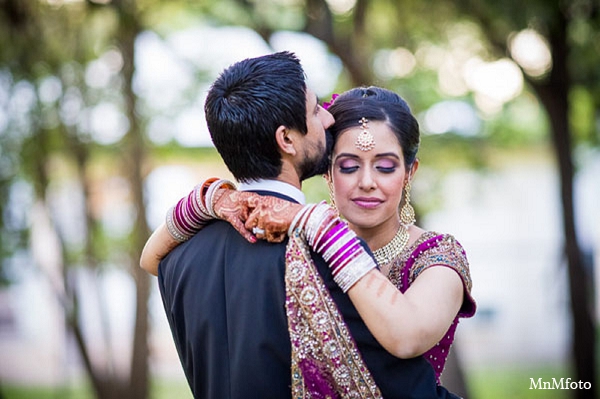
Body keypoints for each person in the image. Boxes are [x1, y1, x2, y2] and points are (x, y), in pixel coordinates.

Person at [146, 52, 471, 398]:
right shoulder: (321, 259)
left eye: (385, 166)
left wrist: (206, 202)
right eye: (348, 165)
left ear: (410, 172)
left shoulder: (180, 258)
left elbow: (150, 259)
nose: (366, 181)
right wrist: (212, 198)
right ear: (292, 143)